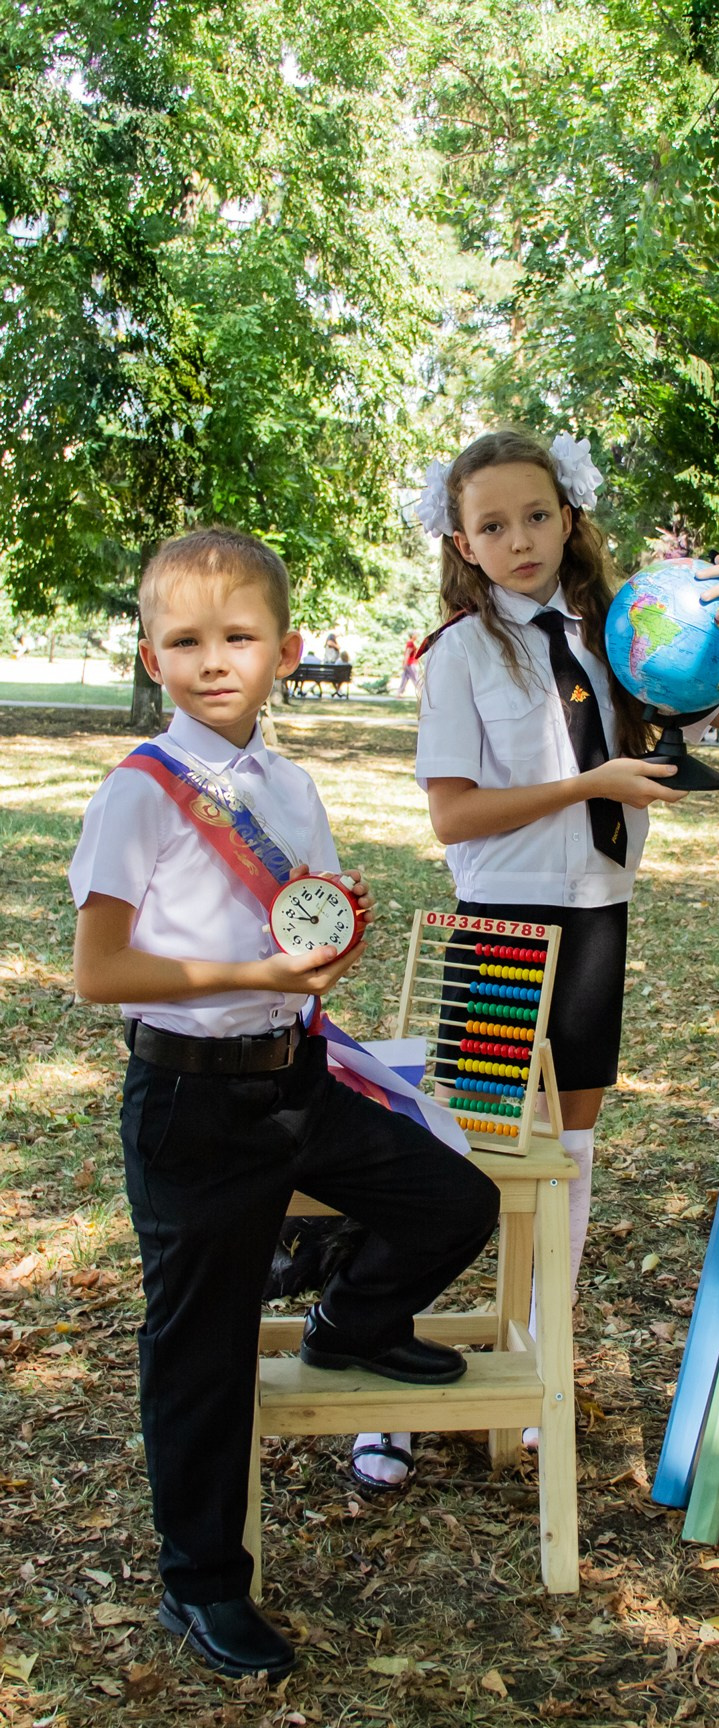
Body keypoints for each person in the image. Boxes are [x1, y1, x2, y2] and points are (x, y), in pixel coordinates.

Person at [68, 527, 500, 1678]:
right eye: (186, 640)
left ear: (287, 650)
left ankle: (345, 1320)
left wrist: (324, 932)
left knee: (452, 1202)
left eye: (240, 637)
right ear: (152, 654)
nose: (215, 659)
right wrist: (258, 974)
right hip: (191, 1102)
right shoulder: (140, 792)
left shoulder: (291, 785)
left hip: (294, 1076)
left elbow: (296, 925)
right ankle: (201, 1586)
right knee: (200, 1352)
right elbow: (98, 973)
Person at [337, 427, 719, 1485]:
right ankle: (381, 1365)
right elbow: (454, 818)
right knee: (463, 1159)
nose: (520, 539)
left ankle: (539, 1361)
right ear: (461, 539)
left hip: (596, 920)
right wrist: (589, 787)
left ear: (570, 515)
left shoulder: (626, 633)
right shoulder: (457, 651)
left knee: (569, 1162)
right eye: (492, 524)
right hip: (501, 924)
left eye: (536, 515)